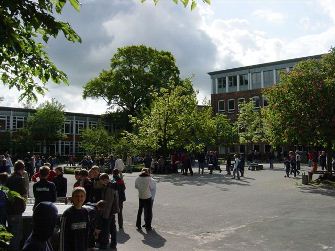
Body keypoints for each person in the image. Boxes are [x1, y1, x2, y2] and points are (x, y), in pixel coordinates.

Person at [6, 160, 27, 251]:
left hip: (8, 209)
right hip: (16, 209)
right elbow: (23, 194)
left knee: (10, 232)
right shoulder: (20, 179)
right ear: (22, 169)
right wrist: (24, 205)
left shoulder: (9, 178)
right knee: (17, 234)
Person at [59, 187, 89, 251]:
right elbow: (62, 236)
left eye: (81, 196)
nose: (79, 198)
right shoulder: (67, 214)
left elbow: (86, 233)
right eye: (77, 196)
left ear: (85, 197)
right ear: (72, 198)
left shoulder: (85, 212)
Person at [99, 173, 119, 250]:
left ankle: (104, 245)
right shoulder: (111, 185)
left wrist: (105, 215)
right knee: (112, 228)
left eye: (102, 181)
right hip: (112, 211)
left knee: (106, 229)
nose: (101, 183)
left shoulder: (109, 188)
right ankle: (113, 243)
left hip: (108, 212)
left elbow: (108, 203)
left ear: (105, 180)